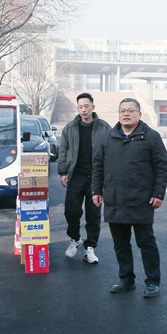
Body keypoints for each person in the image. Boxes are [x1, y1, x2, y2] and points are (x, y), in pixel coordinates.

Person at [91, 98, 167, 298]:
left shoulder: (151, 137)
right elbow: (98, 165)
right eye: (122, 110)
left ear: (139, 114)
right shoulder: (108, 137)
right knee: (120, 243)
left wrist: (158, 194)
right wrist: (96, 190)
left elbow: (161, 168)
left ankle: (152, 281)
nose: (126, 114)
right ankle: (126, 279)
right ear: (118, 114)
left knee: (146, 242)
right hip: (114, 199)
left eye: (131, 110)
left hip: (141, 200)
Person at [57, 92, 111, 263]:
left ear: (93, 107)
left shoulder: (104, 127)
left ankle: (90, 248)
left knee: (93, 214)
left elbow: (112, 151)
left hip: (96, 177)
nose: (83, 109)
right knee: (71, 211)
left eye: (86, 106)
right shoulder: (70, 128)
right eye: (80, 107)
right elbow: (63, 150)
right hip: (76, 175)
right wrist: (63, 172)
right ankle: (75, 239)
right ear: (78, 108)